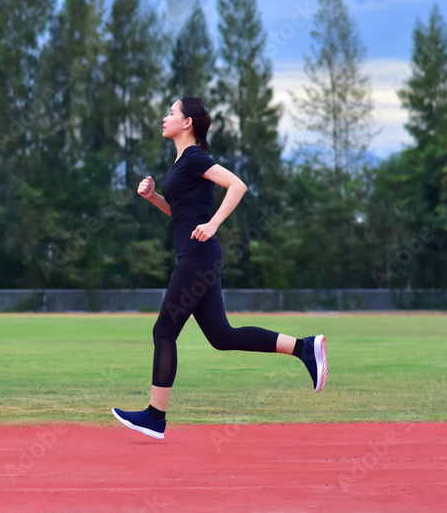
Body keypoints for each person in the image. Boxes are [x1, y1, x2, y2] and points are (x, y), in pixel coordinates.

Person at [111, 97, 328, 440]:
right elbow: (183, 216)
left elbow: (237, 185)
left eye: (171, 112)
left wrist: (213, 223)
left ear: (188, 123)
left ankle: (155, 417)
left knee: (164, 332)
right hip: (198, 257)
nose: (165, 117)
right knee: (222, 336)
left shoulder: (196, 157)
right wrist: (154, 198)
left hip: (198, 258)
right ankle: (304, 347)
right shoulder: (183, 161)